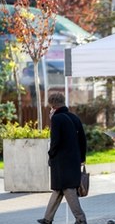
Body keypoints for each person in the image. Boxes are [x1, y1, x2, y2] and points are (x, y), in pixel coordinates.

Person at [37, 93, 87, 224]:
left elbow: (55, 141)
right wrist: (82, 157)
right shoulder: (74, 117)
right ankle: (47, 218)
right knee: (58, 189)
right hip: (74, 160)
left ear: (52, 106)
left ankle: (81, 219)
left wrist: (50, 154)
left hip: (61, 162)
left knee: (68, 189)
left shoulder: (57, 119)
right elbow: (83, 140)